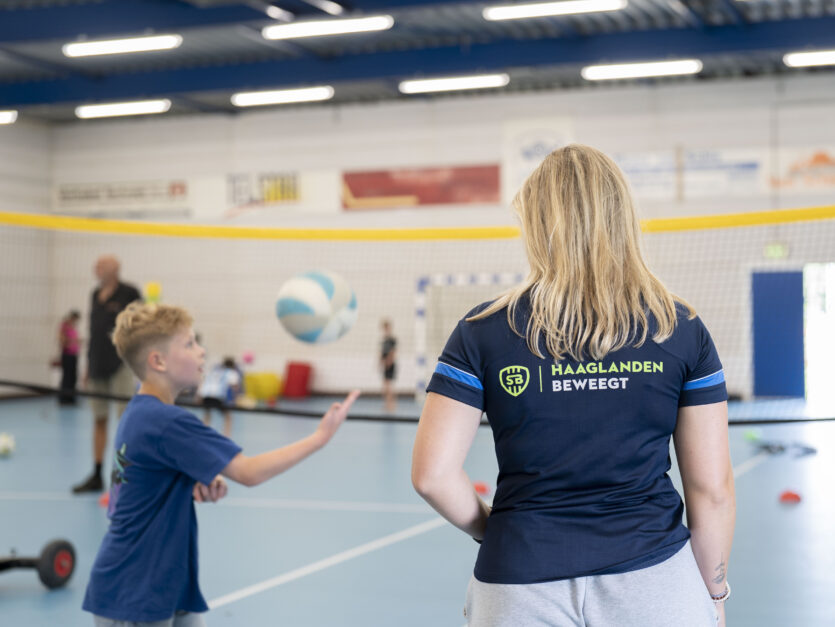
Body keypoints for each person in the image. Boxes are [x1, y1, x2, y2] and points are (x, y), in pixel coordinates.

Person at [412, 144, 734, 627]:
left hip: (518, 575)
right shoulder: (680, 327)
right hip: (654, 577)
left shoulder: (482, 330)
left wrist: (495, 530)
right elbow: (711, 489)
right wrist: (713, 593)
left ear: (536, 224)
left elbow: (432, 476)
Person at [82, 301, 359, 626]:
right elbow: (249, 472)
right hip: (134, 592)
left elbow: (143, 481)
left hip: (166, 583)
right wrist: (319, 438)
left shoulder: (139, 412)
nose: (201, 351)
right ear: (158, 361)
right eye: (189, 344)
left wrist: (188, 483)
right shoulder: (166, 421)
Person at [73, 256, 142, 494]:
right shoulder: (94, 294)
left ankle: (125, 476)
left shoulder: (129, 292)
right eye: (96, 265)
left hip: (120, 364)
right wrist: (87, 366)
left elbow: (140, 327)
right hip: (96, 364)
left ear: (115, 268)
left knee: (126, 422)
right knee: (99, 419)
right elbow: (93, 332)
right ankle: (96, 474)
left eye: (101, 265)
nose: (96, 268)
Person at [200, 356, 241, 438]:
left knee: (207, 415)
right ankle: (226, 436)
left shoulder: (213, 371)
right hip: (218, 396)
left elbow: (203, 382)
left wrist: (198, 397)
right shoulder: (232, 373)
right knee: (228, 417)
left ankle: (203, 434)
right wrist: (235, 399)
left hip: (205, 395)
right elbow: (235, 388)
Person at [57, 309, 81, 406]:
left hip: (73, 355)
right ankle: (64, 398)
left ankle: (71, 398)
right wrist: (72, 341)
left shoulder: (73, 327)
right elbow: (62, 340)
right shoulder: (64, 326)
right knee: (67, 377)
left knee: (73, 377)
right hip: (67, 355)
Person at [380, 319, 398, 413]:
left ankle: (392, 405)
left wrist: (389, 362)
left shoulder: (392, 339)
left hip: (390, 364)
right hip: (385, 364)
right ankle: (387, 404)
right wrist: (380, 362)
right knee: (385, 386)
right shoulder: (384, 339)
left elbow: (393, 352)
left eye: (387, 327)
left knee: (389, 386)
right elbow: (382, 352)